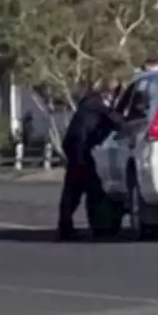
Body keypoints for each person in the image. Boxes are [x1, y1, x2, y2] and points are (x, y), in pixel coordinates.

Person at [56, 78, 127, 240]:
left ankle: (66, 227)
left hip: (76, 147)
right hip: (80, 149)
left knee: (74, 188)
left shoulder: (89, 101)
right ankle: (97, 227)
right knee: (91, 188)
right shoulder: (96, 104)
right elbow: (115, 120)